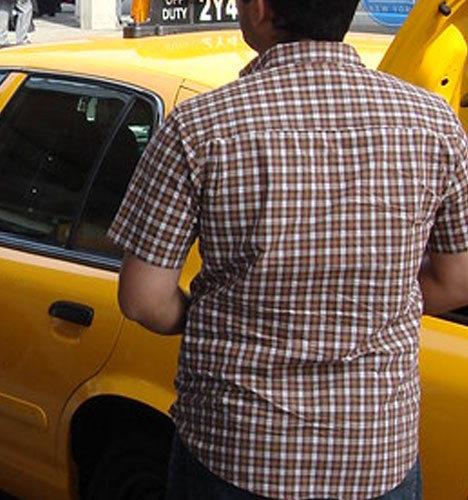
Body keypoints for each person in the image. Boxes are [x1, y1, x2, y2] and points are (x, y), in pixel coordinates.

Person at [108, 0, 468, 498]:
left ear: (259, 9)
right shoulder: (434, 123)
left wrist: (217, 315)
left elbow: (143, 300)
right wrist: (366, 308)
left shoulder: (199, 128)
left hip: (237, 449)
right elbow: (457, 281)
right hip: (376, 455)